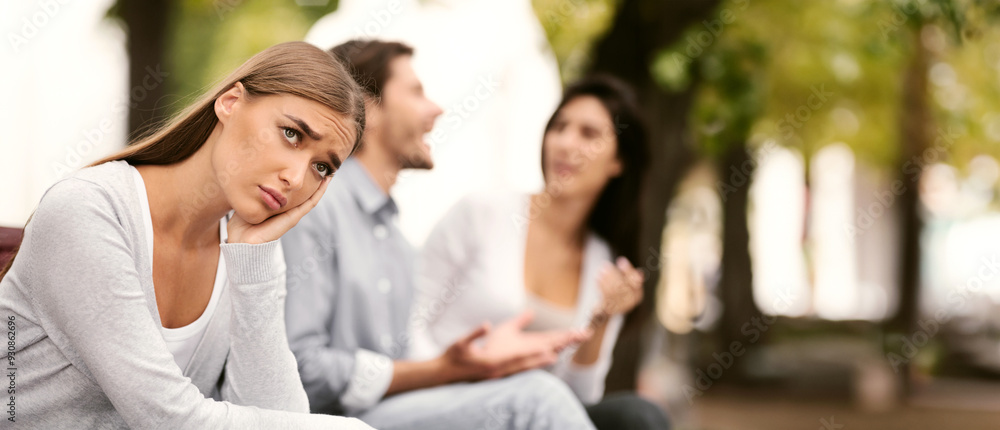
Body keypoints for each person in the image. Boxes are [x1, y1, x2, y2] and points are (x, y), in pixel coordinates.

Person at [0, 41, 372, 429]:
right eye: (291, 134)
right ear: (230, 102)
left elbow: (283, 418)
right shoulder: (89, 209)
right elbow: (169, 419)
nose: (295, 178)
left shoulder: (250, 250)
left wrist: (253, 265)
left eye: (322, 168)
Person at [281, 39, 597, 430]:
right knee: (537, 398)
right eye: (416, 92)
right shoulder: (316, 205)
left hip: (386, 411)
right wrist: (444, 369)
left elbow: (406, 365)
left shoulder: (396, 243)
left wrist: (484, 359)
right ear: (367, 108)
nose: (436, 109)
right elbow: (301, 366)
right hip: (332, 420)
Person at [410, 75, 672, 429]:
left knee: (640, 416)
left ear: (618, 162)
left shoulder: (604, 262)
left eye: (589, 134)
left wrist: (602, 320)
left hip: (531, 415)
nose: (565, 143)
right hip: (442, 401)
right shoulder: (482, 213)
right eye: (559, 127)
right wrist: (460, 369)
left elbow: (578, 398)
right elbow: (409, 320)